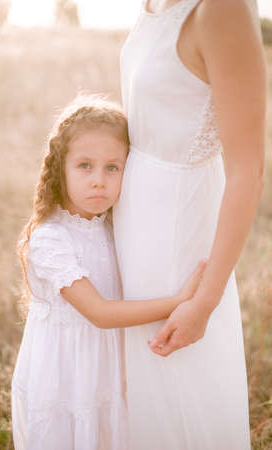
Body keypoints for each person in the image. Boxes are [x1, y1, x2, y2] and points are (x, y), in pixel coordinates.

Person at [11, 94, 206, 450]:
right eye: (85, 166)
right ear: (59, 169)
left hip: (107, 374)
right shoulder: (50, 239)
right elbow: (99, 313)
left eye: (112, 167)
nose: (99, 180)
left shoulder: (114, 229)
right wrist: (180, 301)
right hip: (65, 376)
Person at [113, 0, 266, 449]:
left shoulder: (224, 10)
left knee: (179, 388)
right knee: (142, 394)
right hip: (134, 223)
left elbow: (249, 171)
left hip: (179, 233)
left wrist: (205, 301)